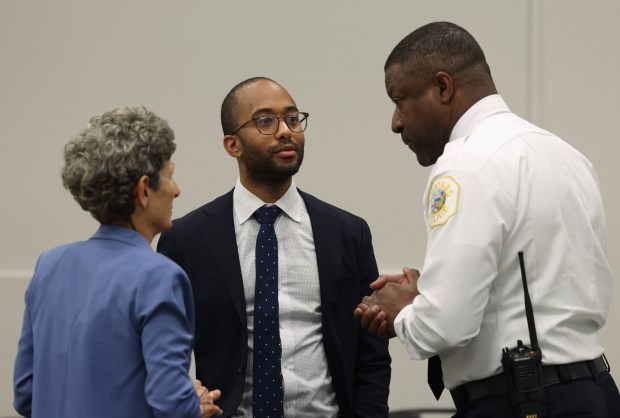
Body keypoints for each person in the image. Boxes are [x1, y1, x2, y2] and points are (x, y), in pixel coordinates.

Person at [355, 21, 620, 417]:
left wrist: (405, 311)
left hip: (522, 400)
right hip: (594, 391)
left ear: (443, 87)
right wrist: (430, 290)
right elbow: (532, 279)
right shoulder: (565, 154)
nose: (396, 122)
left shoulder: (465, 162)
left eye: (400, 100)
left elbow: (445, 325)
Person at [157, 77, 391, 418]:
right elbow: (164, 351)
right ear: (232, 145)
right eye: (265, 121)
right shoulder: (187, 239)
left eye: (293, 119)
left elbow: (371, 353)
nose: (286, 131)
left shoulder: (347, 232)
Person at [13, 106, 222, 418]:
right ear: (143, 190)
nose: (176, 190)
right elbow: (171, 405)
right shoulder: (159, 276)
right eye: (170, 176)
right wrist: (196, 405)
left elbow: (26, 394)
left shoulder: (50, 264)